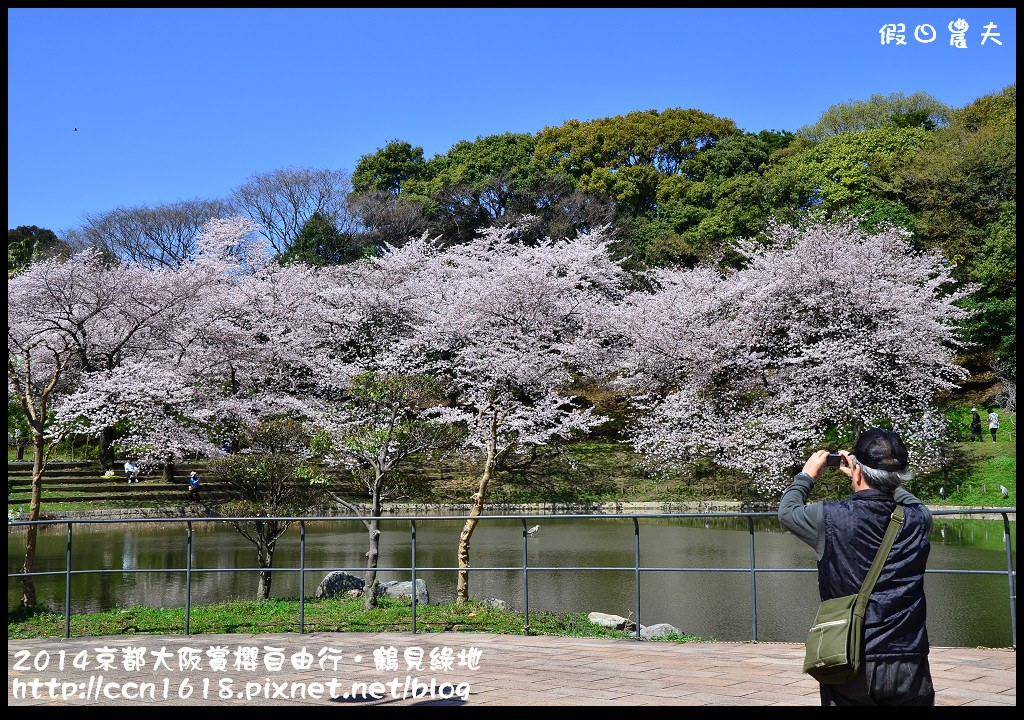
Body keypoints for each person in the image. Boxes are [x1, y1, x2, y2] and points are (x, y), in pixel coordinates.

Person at [778, 428, 933, 706]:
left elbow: (787, 512)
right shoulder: (918, 519)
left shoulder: (829, 518)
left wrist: (806, 476)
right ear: (898, 476)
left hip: (850, 655)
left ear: (857, 472)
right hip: (909, 657)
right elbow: (915, 503)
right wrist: (888, 482)